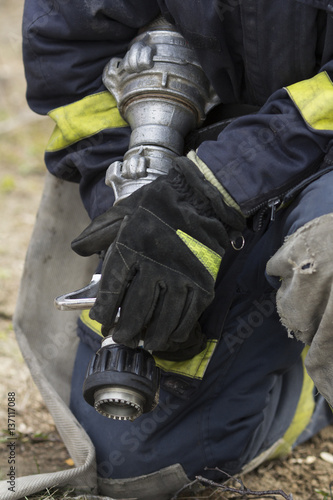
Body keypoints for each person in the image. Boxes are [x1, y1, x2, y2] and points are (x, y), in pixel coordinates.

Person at [17, 1, 333, 499]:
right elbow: (68, 45)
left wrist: (211, 190)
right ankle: (302, 390)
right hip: (214, 156)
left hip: (306, 169)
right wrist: (131, 196)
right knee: (137, 464)